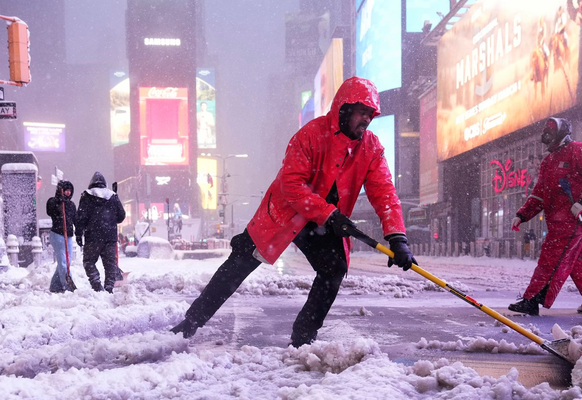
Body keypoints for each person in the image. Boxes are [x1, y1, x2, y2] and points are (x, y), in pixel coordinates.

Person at [171, 77, 415, 347]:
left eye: (370, 114)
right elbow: (292, 184)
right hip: (285, 214)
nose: (366, 120)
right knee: (239, 262)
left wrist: (397, 238)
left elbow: (385, 194)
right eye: (362, 112)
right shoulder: (311, 134)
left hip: (323, 225)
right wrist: (329, 214)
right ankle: (191, 322)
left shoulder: (371, 147)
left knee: (333, 269)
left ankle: (303, 338)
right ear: (344, 109)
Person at [508, 117, 582, 316]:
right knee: (579, 260)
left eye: (550, 133)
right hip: (555, 220)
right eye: (544, 134)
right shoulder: (548, 162)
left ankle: (532, 298)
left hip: (572, 218)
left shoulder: (580, 151)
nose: (546, 138)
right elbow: (539, 194)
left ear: (562, 133)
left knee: (552, 257)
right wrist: (523, 214)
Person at [75, 172, 126, 293]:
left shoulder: (86, 196)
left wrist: (78, 233)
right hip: (110, 238)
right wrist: (111, 218)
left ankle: (97, 285)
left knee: (89, 262)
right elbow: (121, 216)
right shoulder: (113, 196)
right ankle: (109, 287)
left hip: (92, 237)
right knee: (110, 265)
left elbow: (81, 217)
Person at [45, 180, 76, 293]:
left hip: (68, 236)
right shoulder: (53, 201)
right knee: (63, 261)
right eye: (66, 190)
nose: (68, 193)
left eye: (69, 191)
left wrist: (80, 232)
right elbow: (49, 211)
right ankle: (68, 286)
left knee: (66, 262)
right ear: (60, 190)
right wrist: (59, 202)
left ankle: (55, 285)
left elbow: (75, 219)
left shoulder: (71, 205)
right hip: (57, 235)